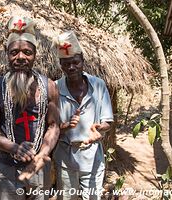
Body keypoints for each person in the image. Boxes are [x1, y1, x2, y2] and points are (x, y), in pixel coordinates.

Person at [0, 16, 60, 200]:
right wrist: (13, 148)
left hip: (40, 169)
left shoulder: (49, 87)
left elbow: (54, 126)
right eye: (14, 52)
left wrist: (42, 155)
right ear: (7, 54)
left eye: (27, 52)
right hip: (8, 169)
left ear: (35, 54)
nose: (20, 58)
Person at [53, 31, 114, 200]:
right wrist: (64, 127)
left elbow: (107, 121)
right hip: (65, 157)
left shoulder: (98, 85)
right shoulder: (55, 88)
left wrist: (100, 128)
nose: (71, 67)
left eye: (75, 62)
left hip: (93, 156)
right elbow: (50, 126)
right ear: (60, 65)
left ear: (83, 62)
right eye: (66, 64)